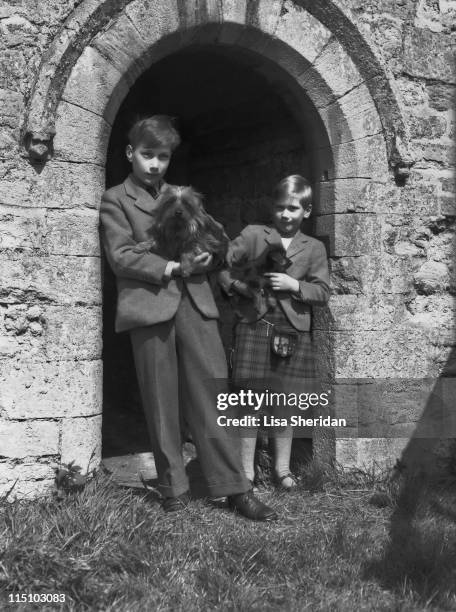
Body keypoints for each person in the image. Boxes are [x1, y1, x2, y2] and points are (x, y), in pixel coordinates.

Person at [100, 115, 277, 520]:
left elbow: (218, 242)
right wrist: (175, 267)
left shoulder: (183, 196)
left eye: (163, 156)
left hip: (195, 302)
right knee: (161, 400)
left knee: (213, 394)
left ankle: (234, 488)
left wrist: (207, 258)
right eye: (148, 155)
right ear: (131, 153)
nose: (156, 165)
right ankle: (174, 490)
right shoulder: (116, 200)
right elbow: (122, 256)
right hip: (149, 305)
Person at [219, 175, 330, 490]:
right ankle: (246, 473)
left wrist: (295, 285)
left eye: (293, 209)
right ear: (273, 207)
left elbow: (322, 291)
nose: (285, 214)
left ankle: (282, 470)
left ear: (306, 211)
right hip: (254, 325)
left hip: (291, 328)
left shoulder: (314, 248)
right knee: (249, 399)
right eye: (280, 207)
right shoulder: (255, 235)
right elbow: (222, 264)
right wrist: (238, 286)